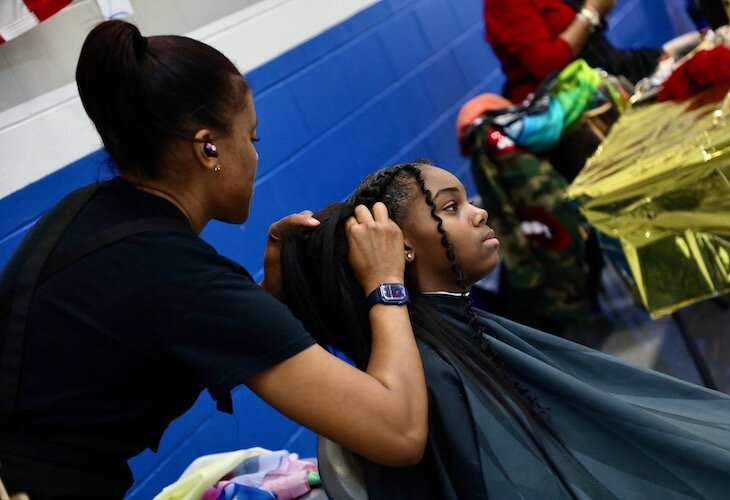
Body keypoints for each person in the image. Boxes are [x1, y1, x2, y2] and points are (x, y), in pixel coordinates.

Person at [0, 20, 429, 499]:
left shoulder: (85, 213)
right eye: (252, 137)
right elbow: (400, 433)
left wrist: (269, 296)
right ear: (208, 148)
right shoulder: (175, 274)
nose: (254, 155)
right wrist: (386, 282)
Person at [280, 159, 730, 499]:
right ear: (400, 247)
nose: (478, 212)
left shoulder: (445, 332)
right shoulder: (429, 368)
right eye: (451, 208)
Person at [485, 0, 664, 103]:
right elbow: (547, 64)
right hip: (572, 100)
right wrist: (591, 13)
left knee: (671, 60)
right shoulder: (503, 3)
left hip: (605, 71)